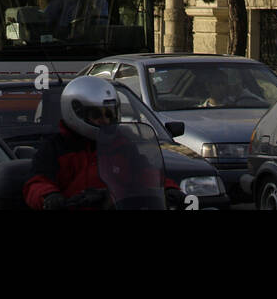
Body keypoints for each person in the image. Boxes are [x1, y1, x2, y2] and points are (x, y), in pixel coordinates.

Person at [24, 77, 183, 211]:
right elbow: (37, 183)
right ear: (76, 112)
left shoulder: (123, 144)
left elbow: (145, 172)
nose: (105, 120)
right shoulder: (56, 148)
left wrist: (168, 188)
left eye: (109, 114)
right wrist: (49, 196)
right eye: (96, 115)